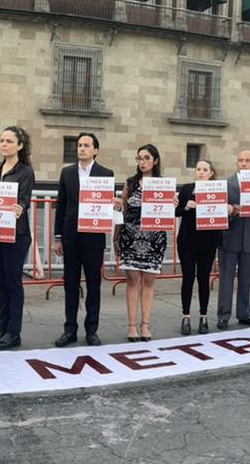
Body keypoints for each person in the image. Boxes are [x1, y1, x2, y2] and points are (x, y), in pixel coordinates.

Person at [52, 132, 113, 347]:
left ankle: (91, 329)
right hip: (70, 237)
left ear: (95, 150)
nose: (82, 149)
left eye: (87, 145)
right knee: (70, 284)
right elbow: (61, 204)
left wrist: (113, 206)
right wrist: (57, 237)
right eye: (79, 145)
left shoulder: (105, 174)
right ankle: (69, 329)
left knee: (94, 284)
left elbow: (107, 206)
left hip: (94, 238)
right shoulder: (67, 173)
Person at [0, 126, 35, 350]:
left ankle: (14, 333)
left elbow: (24, 198)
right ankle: (2, 328)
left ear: (20, 146)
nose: (3, 144)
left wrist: (19, 207)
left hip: (17, 234)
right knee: (1, 283)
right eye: (1, 140)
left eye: (9, 141)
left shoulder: (25, 171)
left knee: (13, 283)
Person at [117, 144, 167, 341]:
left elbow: (168, 213)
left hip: (155, 239)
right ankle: (131, 326)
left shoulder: (163, 184)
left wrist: (173, 204)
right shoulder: (130, 184)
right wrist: (116, 237)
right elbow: (123, 212)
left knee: (148, 281)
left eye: (146, 158)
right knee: (132, 281)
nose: (142, 162)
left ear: (155, 161)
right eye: (139, 158)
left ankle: (145, 325)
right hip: (131, 237)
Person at [175, 159, 223, 335]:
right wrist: (186, 207)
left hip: (208, 242)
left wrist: (225, 208)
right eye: (199, 169)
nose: (201, 172)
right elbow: (175, 211)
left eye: (205, 170)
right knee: (188, 279)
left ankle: (203, 317)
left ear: (211, 173)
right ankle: (185, 316)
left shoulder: (218, 190)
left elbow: (222, 214)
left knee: (204, 279)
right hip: (187, 241)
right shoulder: (187, 189)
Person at [217, 150, 250, 329]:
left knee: (246, 279)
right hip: (230, 237)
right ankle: (223, 315)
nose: (243, 163)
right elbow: (218, 210)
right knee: (226, 278)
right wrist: (229, 211)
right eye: (241, 160)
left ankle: (244, 313)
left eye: (248, 160)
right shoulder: (226, 184)